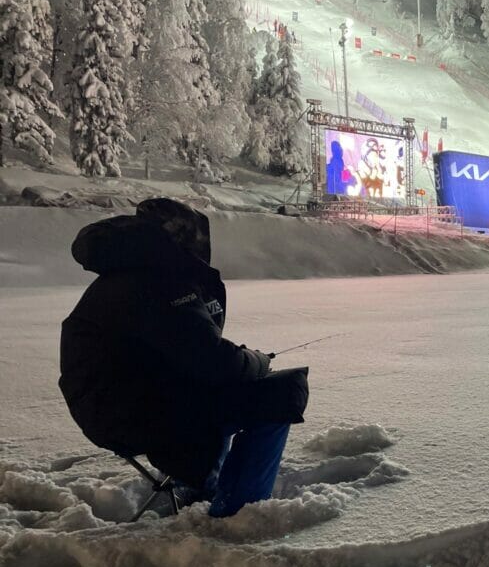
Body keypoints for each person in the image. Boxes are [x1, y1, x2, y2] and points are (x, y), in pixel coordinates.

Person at [59, 199, 309, 518]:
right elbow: (215, 362)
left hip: (114, 405)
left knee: (225, 392)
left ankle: (203, 479)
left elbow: (189, 350)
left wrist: (238, 362)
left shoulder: (132, 275)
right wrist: (257, 361)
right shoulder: (161, 281)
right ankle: (240, 512)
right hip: (132, 413)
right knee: (283, 391)